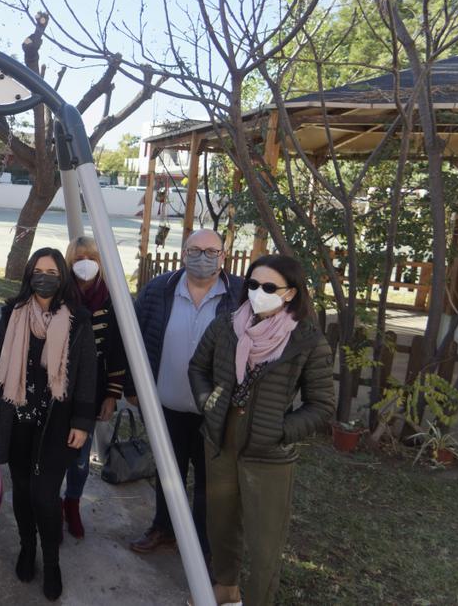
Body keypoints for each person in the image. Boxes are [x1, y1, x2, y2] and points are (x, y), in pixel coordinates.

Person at [188, 254, 335, 605]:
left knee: (265, 541)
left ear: (290, 293)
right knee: (220, 525)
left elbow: (322, 405)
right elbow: (198, 368)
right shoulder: (226, 325)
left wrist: (280, 431)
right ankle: (224, 590)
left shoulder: (307, 341)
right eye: (253, 284)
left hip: (268, 454)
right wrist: (209, 404)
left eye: (269, 287)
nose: (258, 292)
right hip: (222, 442)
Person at [0, 247, 99, 602]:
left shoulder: (78, 319)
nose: (44, 277)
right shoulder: (13, 314)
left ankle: (51, 562)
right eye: (38, 270)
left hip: (57, 424)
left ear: (62, 277)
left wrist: (83, 422)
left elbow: (86, 376)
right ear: (29, 275)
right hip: (19, 419)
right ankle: (27, 548)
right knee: (22, 492)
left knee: (45, 496)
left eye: (51, 271)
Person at [129, 229, 241, 558]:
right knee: (169, 473)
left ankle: (201, 539)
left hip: (216, 411)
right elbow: (135, 340)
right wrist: (134, 388)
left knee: (209, 479)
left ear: (223, 256)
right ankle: (164, 528)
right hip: (166, 405)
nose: (202, 257)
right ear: (183, 252)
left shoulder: (239, 296)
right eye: (195, 250)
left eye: (211, 251)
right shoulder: (157, 290)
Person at [61, 236, 134, 539]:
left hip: (92, 391)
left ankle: (72, 504)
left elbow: (118, 349)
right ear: (69, 262)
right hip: (57, 388)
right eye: (79, 258)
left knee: (79, 457)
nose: (85, 264)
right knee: (53, 453)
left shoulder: (112, 298)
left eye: (91, 257)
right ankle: (50, 504)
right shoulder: (59, 293)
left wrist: (112, 395)